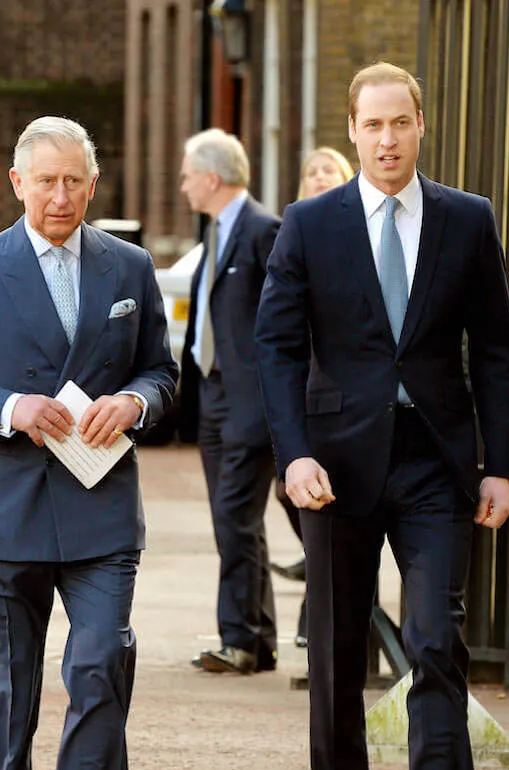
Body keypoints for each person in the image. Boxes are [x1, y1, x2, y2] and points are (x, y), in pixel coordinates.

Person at [255, 62, 509, 770]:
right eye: (372, 125)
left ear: (421, 126)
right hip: (336, 466)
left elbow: (498, 351)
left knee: (435, 642)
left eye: (400, 122)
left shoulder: (468, 219)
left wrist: (499, 464)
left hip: (438, 464)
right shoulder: (309, 224)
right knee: (338, 654)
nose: (387, 139)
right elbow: (274, 346)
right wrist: (294, 453)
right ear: (352, 130)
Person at [0, 116, 177, 770]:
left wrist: (137, 402)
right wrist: (10, 409)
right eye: (46, 181)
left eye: (73, 181)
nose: (59, 196)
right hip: (4, 511)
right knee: (7, 694)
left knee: (99, 665)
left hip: (102, 506)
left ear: (93, 186)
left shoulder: (131, 267)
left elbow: (161, 372)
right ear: (17, 183)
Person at [177, 129, 281, 675]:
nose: (183, 185)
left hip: (248, 401)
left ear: (213, 178)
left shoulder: (265, 231)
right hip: (213, 395)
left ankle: (239, 639)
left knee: (235, 517)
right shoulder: (217, 231)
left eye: (189, 174)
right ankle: (256, 639)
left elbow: (287, 324)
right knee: (234, 519)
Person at [269, 145, 357, 648]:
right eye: (311, 171)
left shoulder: (357, 227)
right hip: (303, 388)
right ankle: (317, 607)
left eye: (329, 169)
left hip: (346, 394)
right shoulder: (296, 229)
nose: (319, 176)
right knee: (296, 493)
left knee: (338, 512)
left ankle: (319, 619)